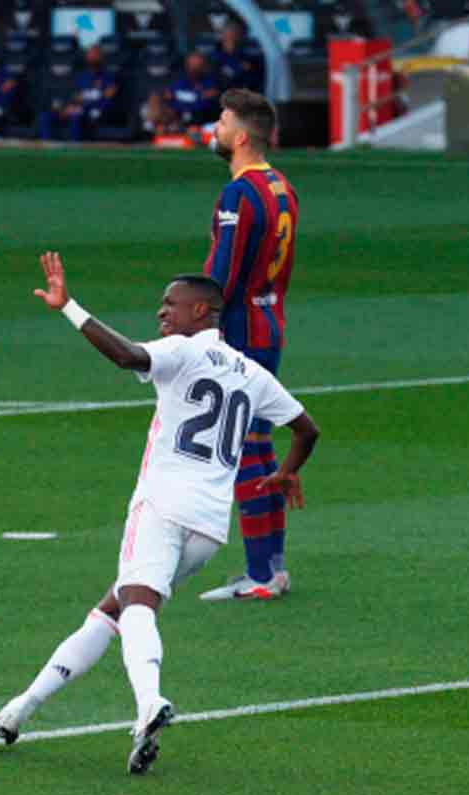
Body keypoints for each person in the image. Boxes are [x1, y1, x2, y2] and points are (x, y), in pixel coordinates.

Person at [0, 252, 319, 774]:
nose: (162, 312)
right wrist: (286, 472)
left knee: (136, 606)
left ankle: (149, 705)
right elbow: (307, 429)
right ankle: (21, 708)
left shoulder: (181, 351)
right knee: (112, 610)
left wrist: (69, 307)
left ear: (201, 311)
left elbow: (126, 356)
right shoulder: (251, 372)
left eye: (171, 304)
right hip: (209, 527)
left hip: (162, 505)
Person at [196, 88, 300, 601]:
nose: (214, 129)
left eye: (221, 122)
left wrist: (200, 324)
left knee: (242, 451)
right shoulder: (282, 187)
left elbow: (224, 272)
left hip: (238, 333)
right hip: (270, 323)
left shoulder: (239, 194)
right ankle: (271, 568)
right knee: (258, 444)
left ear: (240, 137)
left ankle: (261, 574)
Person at [38, 45, 120, 142]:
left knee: (75, 117)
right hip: (76, 108)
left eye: (95, 54)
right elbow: (74, 96)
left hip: (94, 111)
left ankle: (75, 147)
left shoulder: (109, 76)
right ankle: (46, 145)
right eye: (90, 54)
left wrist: (85, 104)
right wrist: (67, 107)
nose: (92, 57)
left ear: (101, 57)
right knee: (45, 116)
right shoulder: (82, 76)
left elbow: (108, 97)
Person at [144, 52, 221, 138]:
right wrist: (197, 96)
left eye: (197, 64)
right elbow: (168, 95)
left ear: (203, 65)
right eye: (191, 64)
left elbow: (209, 99)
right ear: (186, 65)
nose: (194, 67)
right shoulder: (179, 80)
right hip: (176, 115)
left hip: (199, 119)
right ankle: (151, 126)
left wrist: (181, 97)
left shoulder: (210, 81)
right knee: (156, 104)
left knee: (194, 130)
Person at [211, 20, 264, 94]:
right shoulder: (214, 58)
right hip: (224, 96)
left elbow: (254, 81)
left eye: (236, 35)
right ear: (223, 36)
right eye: (229, 36)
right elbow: (218, 83)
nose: (232, 39)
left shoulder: (248, 58)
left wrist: (248, 70)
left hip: (245, 95)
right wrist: (239, 69)